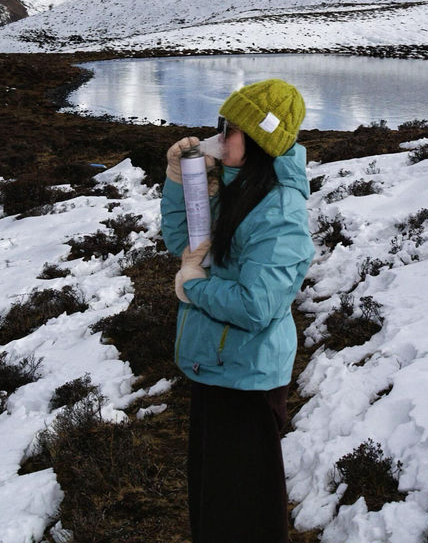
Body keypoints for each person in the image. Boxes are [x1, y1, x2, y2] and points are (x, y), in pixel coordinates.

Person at [161, 78, 314, 543]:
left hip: (247, 380)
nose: (218, 136)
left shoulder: (281, 211)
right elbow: (185, 245)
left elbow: (256, 305)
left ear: (259, 140)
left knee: (247, 516)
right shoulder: (237, 189)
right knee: (215, 508)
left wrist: (196, 288)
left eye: (229, 128)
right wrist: (176, 183)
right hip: (215, 367)